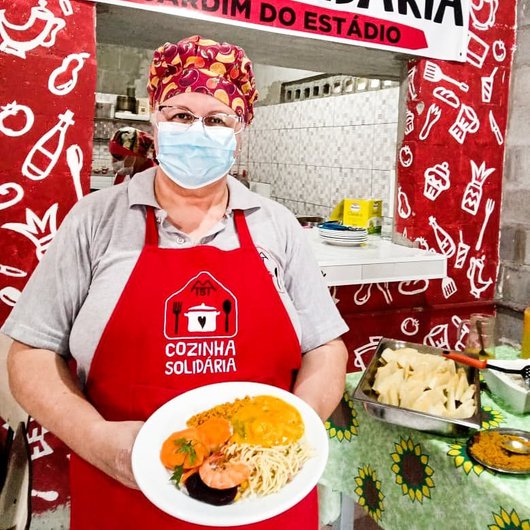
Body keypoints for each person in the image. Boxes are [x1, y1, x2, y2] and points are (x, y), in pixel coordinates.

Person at [3, 35, 348, 529]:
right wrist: (101, 443)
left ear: (241, 129)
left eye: (216, 120)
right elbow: (30, 356)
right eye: (181, 115)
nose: (197, 131)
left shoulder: (277, 225)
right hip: (124, 491)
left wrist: (292, 436)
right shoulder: (96, 220)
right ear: (154, 119)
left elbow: (326, 348)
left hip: (265, 492)